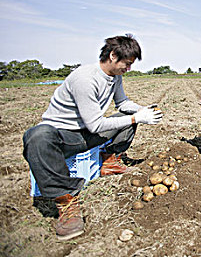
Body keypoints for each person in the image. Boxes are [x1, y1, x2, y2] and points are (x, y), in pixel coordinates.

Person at [22, 34, 163, 241]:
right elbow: (96, 124)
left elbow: (122, 104)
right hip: (63, 136)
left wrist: (142, 111)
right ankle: (66, 200)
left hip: (86, 134)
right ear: (113, 56)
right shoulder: (85, 79)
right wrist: (136, 118)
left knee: (127, 117)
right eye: (127, 63)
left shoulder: (115, 78)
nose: (129, 68)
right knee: (37, 136)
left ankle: (107, 160)